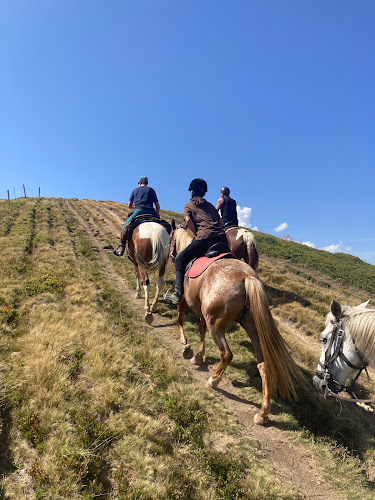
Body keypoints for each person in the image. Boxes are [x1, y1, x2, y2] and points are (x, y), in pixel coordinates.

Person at [164, 178, 229, 305]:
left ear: (192, 192)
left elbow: (188, 220)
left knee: (180, 259)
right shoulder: (210, 206)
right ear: (204, 193)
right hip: (222, 239)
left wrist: (197, 233)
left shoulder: (189, 205)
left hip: (204, 239)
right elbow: (221, 223)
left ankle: (177, 293)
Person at [114, 176, 160, 256]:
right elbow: (157, 205)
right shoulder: (151, 190)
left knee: (125, 227)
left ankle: (122, 245)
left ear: (139, 183)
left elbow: (129, 205)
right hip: (151, 212)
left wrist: (133, 209)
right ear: (147, 183)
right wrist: (157, 213)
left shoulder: (135, 190)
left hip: (139, 211)